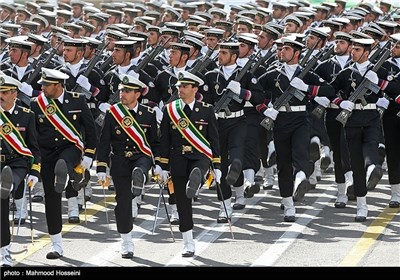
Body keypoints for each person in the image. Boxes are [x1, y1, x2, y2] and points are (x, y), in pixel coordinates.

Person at [30, 68, 97, 259]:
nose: (42, 88)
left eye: (46, 85)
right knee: (52, 197)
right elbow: (32, 136)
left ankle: (70, 174)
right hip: (46, 154)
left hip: (71, 149)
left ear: (58, 86)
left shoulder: (77, 100)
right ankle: (57, 244)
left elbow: (90, 129)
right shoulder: (37, 105)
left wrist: (89, 155)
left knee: (64, 161)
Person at [156, 71, 221, 257]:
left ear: (195, 89)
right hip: (178, 158)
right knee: (183, 202)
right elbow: (165, 140)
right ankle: (188, 242)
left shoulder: (207, 110)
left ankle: (197, 180)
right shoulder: (170, 110)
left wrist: (216, 166)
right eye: (178, 87)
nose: (180, 90)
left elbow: (213, 139)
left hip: (199, 156)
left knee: (198, 170)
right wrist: (163, 166)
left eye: (184, 87)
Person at [96, 74, 159, 258]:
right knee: (122, 203)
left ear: (138, 94)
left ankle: (140, 178)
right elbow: (104, 142)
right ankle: (127, 240)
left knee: (140, 167)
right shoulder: (112, 113)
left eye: (127, 91)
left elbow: (154, 143)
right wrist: (101, 167)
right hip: (120, 161)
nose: (122, 93)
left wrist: (160, 165)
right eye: (122, 90)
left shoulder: (149, 113)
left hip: (142, 157)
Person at [0, 74, 41, 267]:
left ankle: (4, 252)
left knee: (6, 186)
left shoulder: (27, 115)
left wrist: (34, 171)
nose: (0, 95)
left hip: (17, 163)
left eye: (4, 92)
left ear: (14, 93)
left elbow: (33, 147)